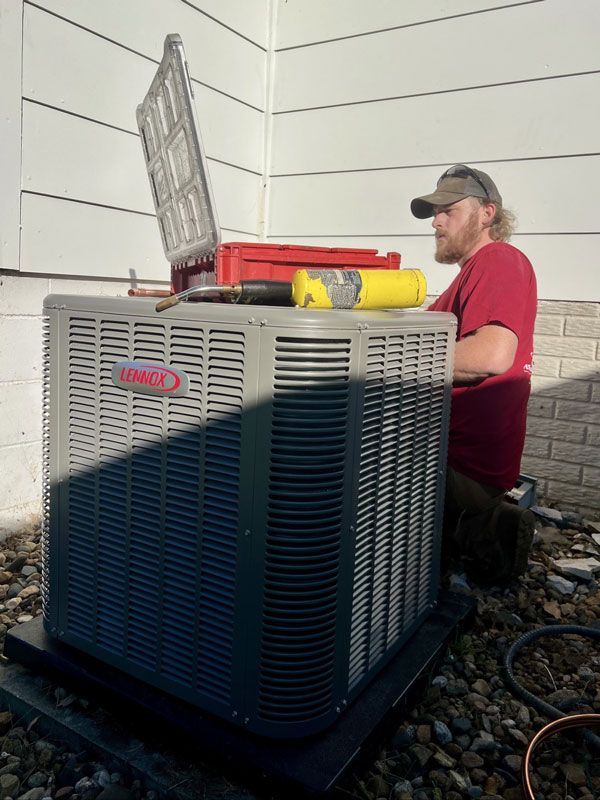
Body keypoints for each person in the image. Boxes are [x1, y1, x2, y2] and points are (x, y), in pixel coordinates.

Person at [411, 164, 537, 585]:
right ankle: (482, 531)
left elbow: (491, 355)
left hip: (460, 466)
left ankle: (473, 529)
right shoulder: (468, 276)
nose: (436, 221)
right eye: (434, 212)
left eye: (448, 209)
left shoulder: (499, 259)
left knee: (323, 481)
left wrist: (386, 362)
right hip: (453, 456)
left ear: (487, 213)